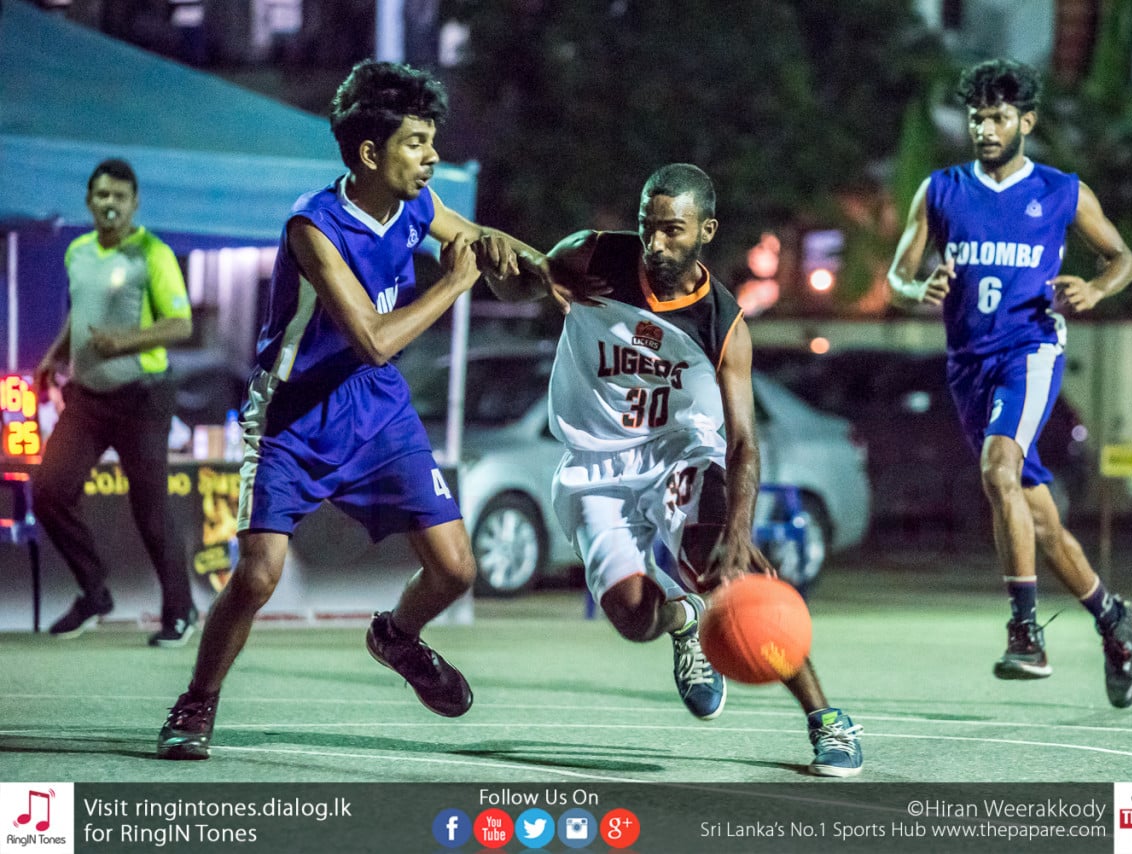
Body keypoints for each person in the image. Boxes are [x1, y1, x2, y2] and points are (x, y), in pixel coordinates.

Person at [156, 60, 558, 760]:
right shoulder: (313, 228)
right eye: (416, 143)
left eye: (432, 141)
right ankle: (196, 700)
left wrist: (557, 272)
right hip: (293, 413)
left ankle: (396, 636)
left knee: (456, 570)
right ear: (371, 153)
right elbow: (372, 338)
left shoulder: (417, 205)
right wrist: (455, 284)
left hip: (376, 407)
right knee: (257, 574)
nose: (432, 156)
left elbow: (481, 239)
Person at [533, 163, 862, 776]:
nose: (655, 244)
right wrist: (530, 272)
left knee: (732, 576)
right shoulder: (592, 257)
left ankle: (827, 720)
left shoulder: (722, 323)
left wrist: (739, 533)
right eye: (647, 226)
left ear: (706, 231)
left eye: (672, 231)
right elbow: (524, 277)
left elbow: (743, 442)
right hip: (594, 465)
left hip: (678, 452)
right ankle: (683, 618)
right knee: (634, 618)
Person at [888, 59, 1132, 708]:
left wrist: (1096, 288)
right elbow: (897, 275)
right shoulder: (941, 190)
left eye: (998, 117)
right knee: (1041, 522)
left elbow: (1124, 258)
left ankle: (1026, 634)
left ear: (1026, 122)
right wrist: (916, 290)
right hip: (968, 365)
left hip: (1030, 351)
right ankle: (1113, 616)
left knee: (998, 470)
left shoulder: (1061, 191)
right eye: (976, 118)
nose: (985, 129)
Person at [32, 158, 199, 648]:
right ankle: (94, 593)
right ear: (89, 200)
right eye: (102, 195)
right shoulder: (78, 252)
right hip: (87, 398)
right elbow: (80, 314)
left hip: (143, 398)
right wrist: (53, 356)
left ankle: (181, 610)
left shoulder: (153, 253)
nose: (110, 204)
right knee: (48, 491)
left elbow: (181, 324)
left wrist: (123, 342)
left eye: (120, 197)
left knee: (150, 508)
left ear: (134, 203)